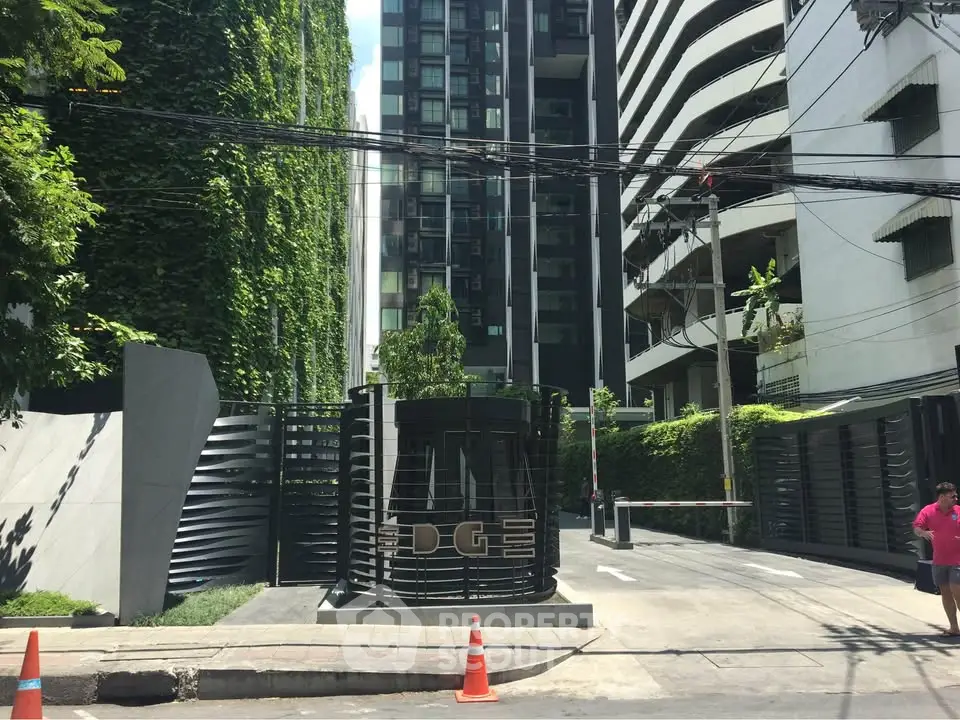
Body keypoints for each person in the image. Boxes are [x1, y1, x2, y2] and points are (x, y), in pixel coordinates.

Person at [913, 482, 960, 637]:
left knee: (957, 590)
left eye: (955, 495)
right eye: (952, 496)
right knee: (945, 593)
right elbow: (917, 527)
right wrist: (923, 533)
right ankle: (954, 627)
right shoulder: (928, 511)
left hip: (957, 560)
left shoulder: (958, 511)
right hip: (939, 560)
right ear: (942, 497)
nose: (956, 498)